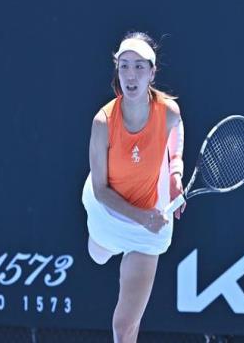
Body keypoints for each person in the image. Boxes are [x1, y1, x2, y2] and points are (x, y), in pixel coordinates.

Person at [82, 32, 185, 343]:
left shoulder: (168, 112)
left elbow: (176, 130)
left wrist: (175, 173)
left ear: (152, 73)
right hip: (107, 214)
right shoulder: (102, 122)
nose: (131, 75)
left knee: (125, 326)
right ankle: (105, 246)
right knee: (98, 255)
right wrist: (142, 218)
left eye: (139, 67)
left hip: (147, 227)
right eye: (124, 65)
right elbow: (101, 190)